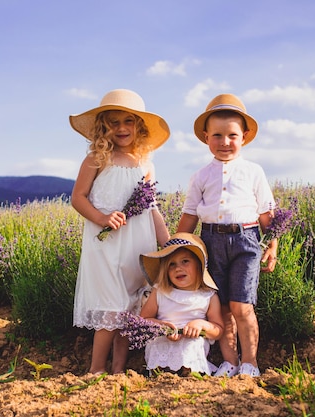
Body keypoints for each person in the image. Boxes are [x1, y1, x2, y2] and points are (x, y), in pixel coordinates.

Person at [70, 88, 171, 375]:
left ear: (138, 126)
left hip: (136, 244)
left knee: (128, 309)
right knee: (111, 308)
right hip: (105, 244)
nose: (122, 128)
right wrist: (101, 218)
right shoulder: (96, 159)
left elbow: (152, 208)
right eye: (114, 122)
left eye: (128, 121)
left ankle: (118, 371)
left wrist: (168, 245)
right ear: (104, 126)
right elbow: (78, 197)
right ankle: (95, 369)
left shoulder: (145, 165)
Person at [177, 93, 278, 377]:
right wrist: (173, 250)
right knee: (220, 308)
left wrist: (272, 246)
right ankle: (230, 362)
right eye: (217, 136)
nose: (224, 142)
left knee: (241, 305)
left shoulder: (253, 172)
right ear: (206, 137)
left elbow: (268, 216)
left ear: (244, 137)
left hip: (246, 242)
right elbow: (190, 215)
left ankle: (251, 363)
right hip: (210, 243)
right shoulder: (200, 176)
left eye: (232, 135)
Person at [139, 232, 224, 376]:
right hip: (164, 338)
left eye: (185, 261)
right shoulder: (160, 291)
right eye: (172, 264)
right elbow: (143, 320)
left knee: (192, 345)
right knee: (157, 344)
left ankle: (188, 373)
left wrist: (201, 325)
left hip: (191, 340)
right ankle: (159, 371)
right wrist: (161, 327)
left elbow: (218, 330)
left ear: (199, 266)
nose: (178, 268)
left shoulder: (207, 296)